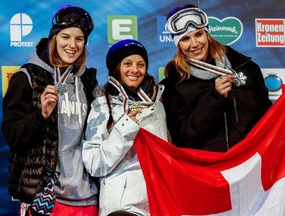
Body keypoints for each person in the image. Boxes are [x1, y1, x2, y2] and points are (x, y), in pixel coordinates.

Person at [1, 5, 99, 216]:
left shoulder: (87, 82)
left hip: (87, 198)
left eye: (79, 39)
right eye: (65, 37)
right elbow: (11, 135)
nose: (72, 45)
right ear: (54, 37)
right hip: (45, 198)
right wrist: (41, 115)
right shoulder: (27, 77)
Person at [160, 4, 272, 152]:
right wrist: (215, 97)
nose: (194, 44)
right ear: (177, 43)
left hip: (247, 165)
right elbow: (184, 137)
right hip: (207, 170)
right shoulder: (173, 85)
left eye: (199, 34)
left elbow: (267, 120)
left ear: (207, 34)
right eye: (185, 39)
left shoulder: (246, 67)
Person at [82, 39, 169, 216]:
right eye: (127, 64)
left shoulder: (157, 105)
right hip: (122, 207)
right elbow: (95, 164)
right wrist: (126, 126)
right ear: (116, 68)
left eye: (141, 64)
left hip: (157, 202)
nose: (135, 70)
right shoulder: (101, 106)